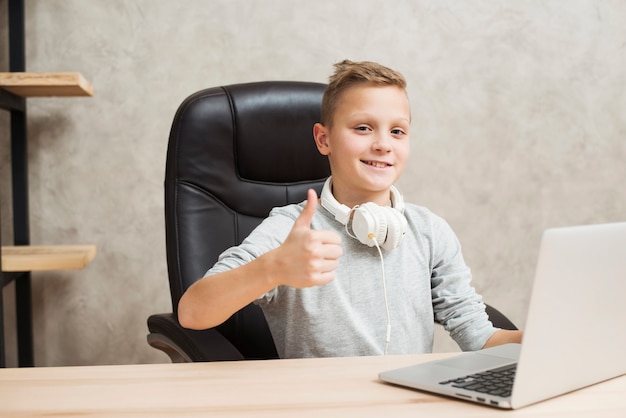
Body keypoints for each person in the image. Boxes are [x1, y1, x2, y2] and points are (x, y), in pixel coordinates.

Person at [177, 59, 523, 358]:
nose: (383, 144)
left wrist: (544, 339)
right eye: (363, 128)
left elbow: (479, 337)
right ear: (323, 139)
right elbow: (193, 312)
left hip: (408, 403)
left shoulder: (429, 231)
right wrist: (273, 269)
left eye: (398, 131)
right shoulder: (291, 231)